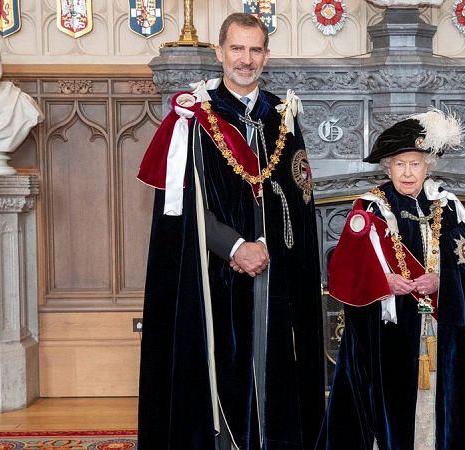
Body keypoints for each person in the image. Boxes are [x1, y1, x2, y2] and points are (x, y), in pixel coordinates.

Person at [136, 13, 325, 449]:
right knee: (222, 377)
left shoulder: (283, 116)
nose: (246, 59)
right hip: (213, 277)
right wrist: (236, 246)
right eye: (237, 49)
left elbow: (298, 200)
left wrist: (268, 248)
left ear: (266, 56)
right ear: (219, 52)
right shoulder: (195, 120)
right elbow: (178, 213)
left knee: (276, 373)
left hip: (274, 277)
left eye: (255, 49)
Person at [315, 110, 465, 450]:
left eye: (415, 163)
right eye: (399, 164)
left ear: (428, 165)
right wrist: (384, 281)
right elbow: (343, 273)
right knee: (393, 406)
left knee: (438, 401)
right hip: (389, 335)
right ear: (387, 167)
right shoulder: (370, 209)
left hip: (440, 331)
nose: (407, 172)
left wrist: (443, 280)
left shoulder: (448, 205)